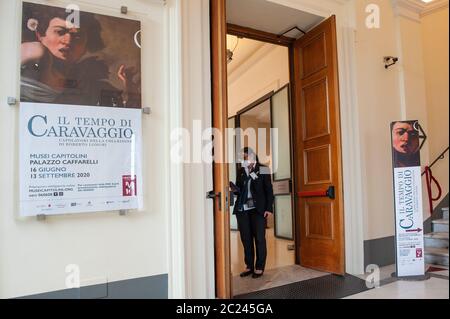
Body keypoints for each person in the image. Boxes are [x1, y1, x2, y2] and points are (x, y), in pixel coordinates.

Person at [20, 3, 141, 108]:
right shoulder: (34, 53)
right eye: (60, 32)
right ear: (40, 34)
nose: (68, 41)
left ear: (86, 46)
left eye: (78, 36)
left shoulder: (94, 85)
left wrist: (130, 88)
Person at [232, 147, 274, 279]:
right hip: (244, 209)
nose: (244, 160)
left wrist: (269, 208)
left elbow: (268, 190)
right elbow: (240, 190)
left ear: (252, 156)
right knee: (246, 239)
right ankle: (249, 266)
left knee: (259, 238)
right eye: (243, 158)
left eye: (246, 157)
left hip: (259, 209)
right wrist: (235, 189)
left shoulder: (263, 169)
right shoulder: (241, 171)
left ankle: (259, 267)